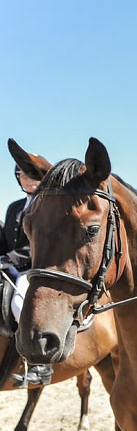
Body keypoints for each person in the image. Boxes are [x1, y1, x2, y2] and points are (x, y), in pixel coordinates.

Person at [1, 163, 53, 386]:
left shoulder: (47, 207)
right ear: (18, 178)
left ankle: (40, 364)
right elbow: (4, 241)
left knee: (19, 303)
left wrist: (8, 259)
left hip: (32, 268)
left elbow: (39, 245)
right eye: (23, 175)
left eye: (34, 176)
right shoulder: (14, 207)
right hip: (9, 267)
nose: (29, 179)